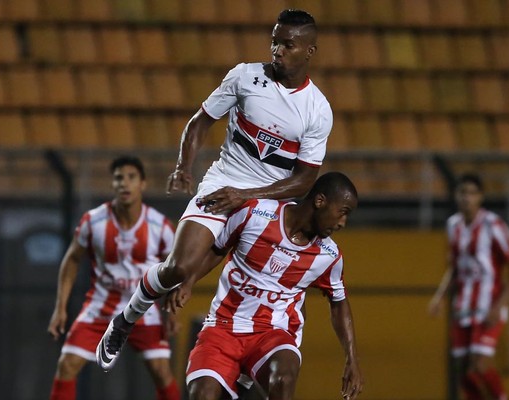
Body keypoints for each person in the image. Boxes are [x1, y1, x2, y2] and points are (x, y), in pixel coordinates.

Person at [97, 8, 333, 372]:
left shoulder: (317, 110)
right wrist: (183, 168)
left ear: (309, 51)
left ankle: (243, 369)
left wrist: (248, 197)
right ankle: (127, 319)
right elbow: (200, 121)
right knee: (178, 267)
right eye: (274, 41)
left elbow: (304, 180)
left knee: (260, 299)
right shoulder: (244, 77)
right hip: (223, 183)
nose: (277, 51)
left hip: (269, 203)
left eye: (287, 44)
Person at [185, 172, 362, 400]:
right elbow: (218, 249)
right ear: (320, 201)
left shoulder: (329, 255)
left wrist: (351, 359)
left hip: (273, 333)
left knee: (284, 376)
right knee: (202, 394)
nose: (342, 223)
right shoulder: (256, 214)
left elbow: (339, 303)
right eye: (342, 212)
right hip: (222, 327)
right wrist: (187, 282)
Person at [48, 156, 181, 400]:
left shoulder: (159, 225)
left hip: (142, 308)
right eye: (119, 178)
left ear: (143, 184)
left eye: (131, 177)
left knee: (162, 372)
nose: (124, 184)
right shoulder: (94, 221)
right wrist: (60, 308)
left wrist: (171, 311)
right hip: (101, 306)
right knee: (66, 365)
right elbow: (72, 259)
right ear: (112, 184)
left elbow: (175, 268)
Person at [428, 173, 509, 400]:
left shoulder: (493, 224)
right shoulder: (453, 225)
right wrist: (439, 297)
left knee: (479, 364)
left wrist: (500, 304)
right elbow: (455, 267)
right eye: (462, 193)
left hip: (489, 304)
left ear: (480, 197)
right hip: (464, 305)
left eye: (471, 193)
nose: (466, 198)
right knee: (462, 369)